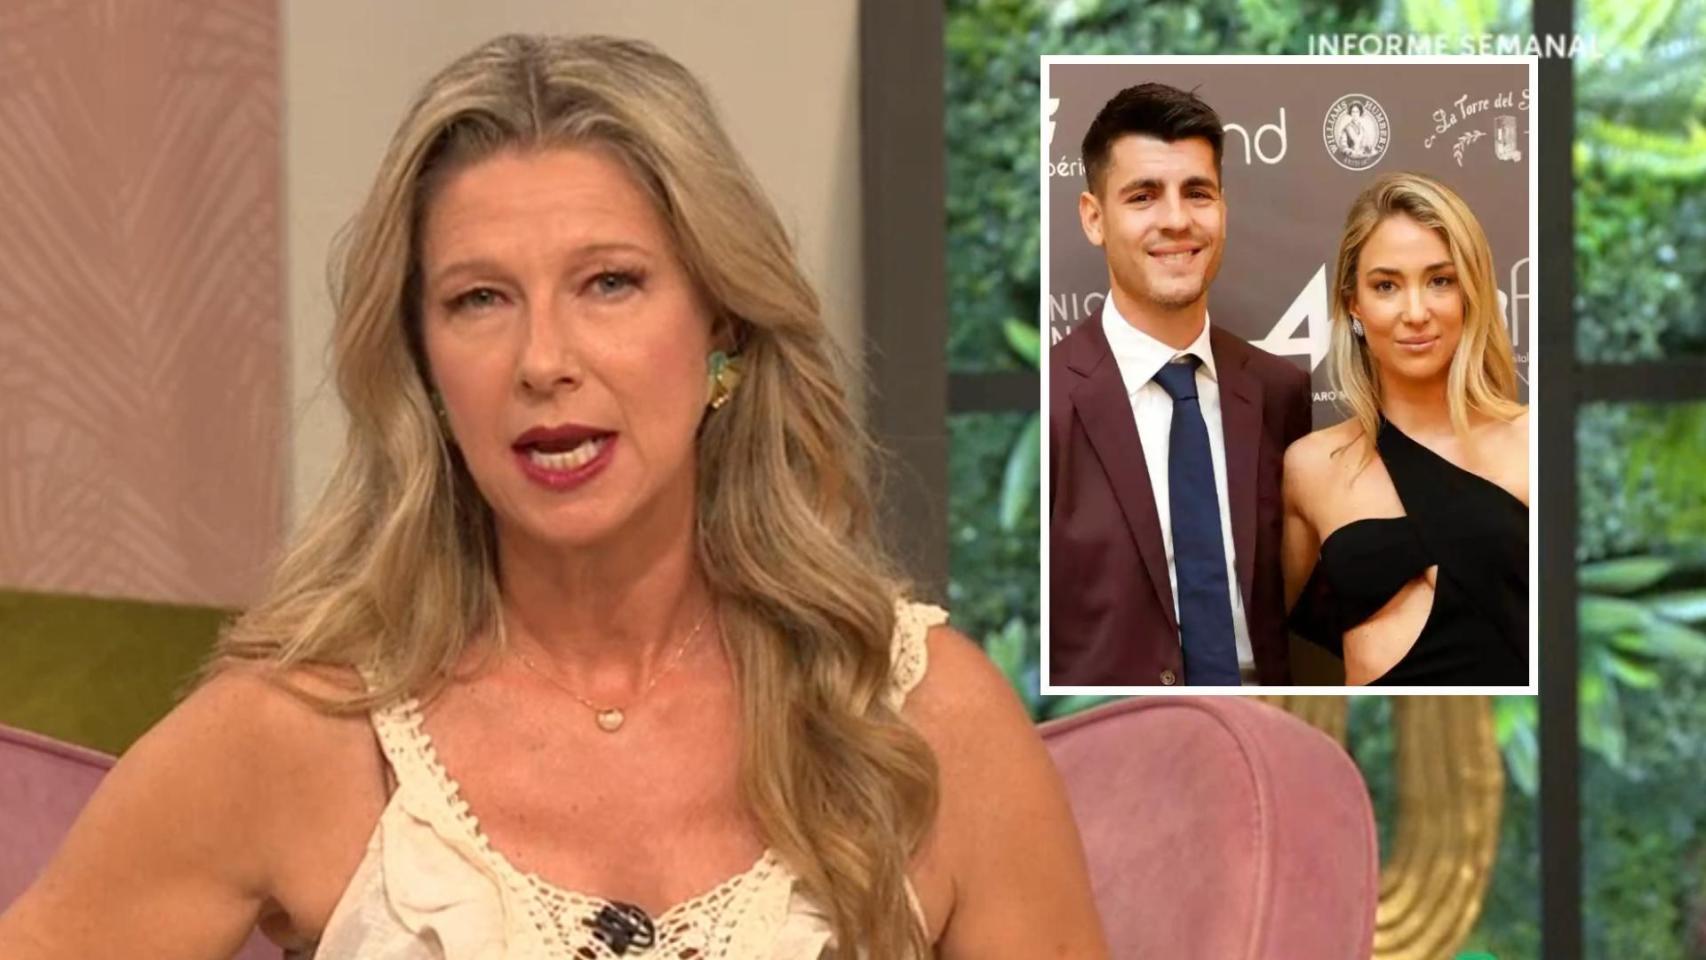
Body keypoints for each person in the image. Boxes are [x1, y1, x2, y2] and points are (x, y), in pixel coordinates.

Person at [0, 34, 1107, 959]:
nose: (543, 360)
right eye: (479, 299)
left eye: (609, 283)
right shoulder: (295, 734)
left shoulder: (924, 721)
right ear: (424, 368)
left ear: (721, 327)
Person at [1049, 82, 1313, 687]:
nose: (1176, 220)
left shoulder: (1279, 393)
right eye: (1143, 196)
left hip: (1264, 718)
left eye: (1197, 193)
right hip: (1118, 728)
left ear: (1222, 208)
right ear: (1094, 217)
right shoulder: (1051, 401)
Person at [1282, 171, 1529, 686]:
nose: (1415, 313)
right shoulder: (1311, 467)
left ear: (1471, 292)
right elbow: (1255, 640)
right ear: (1354, 304)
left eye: (1440, 280)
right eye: (1386, 286)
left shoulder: (1536, 443)